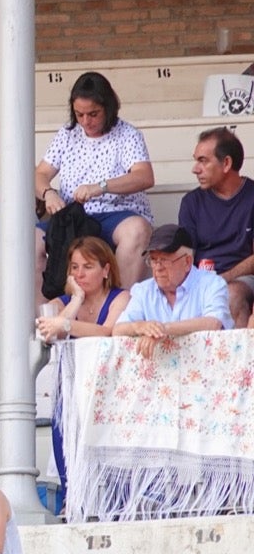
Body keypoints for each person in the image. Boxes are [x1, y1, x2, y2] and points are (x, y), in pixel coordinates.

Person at [35, 71, 154, 287]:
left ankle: (118, 308)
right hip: (74, 216)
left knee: (137, 230)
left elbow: (144, 176)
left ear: (108, 108)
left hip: (117, 214)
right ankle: (47, 315)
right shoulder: (67, 134)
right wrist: (48, 193)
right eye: (79, 114)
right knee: (31, 240)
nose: (86, 121)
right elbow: (40, 174)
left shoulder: (127, 134)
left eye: (93, 114)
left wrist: (101, 187)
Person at [34, 237, 129, 498]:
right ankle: (72, 498)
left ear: (106, 269)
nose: (79, 273)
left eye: (87, 266)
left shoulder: (121, 298)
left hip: (109, 386)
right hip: (73, 384)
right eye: (74, 267)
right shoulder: (62, 301)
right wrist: (76, 299)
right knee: (62, 430)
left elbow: (107, 332)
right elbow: (48, 330)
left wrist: (65, 325)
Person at [112, 223, 233, 355]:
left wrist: (163, 329)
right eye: (153, 260)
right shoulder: (143, 290)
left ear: (187, 262)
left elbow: (214, 322)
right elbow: (118, 330)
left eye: (164, 260)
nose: (158, 267)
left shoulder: (212, 283)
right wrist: (139, 327)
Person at [179, 126, 254, 327]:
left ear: (227, 163)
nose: (195, 168)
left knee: (231, 294)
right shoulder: (191, 202)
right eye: (196, 160)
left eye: (203, 161)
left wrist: (223, 279)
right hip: (200, 280)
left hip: (242, 279)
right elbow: (184, 256)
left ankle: (238, 358)